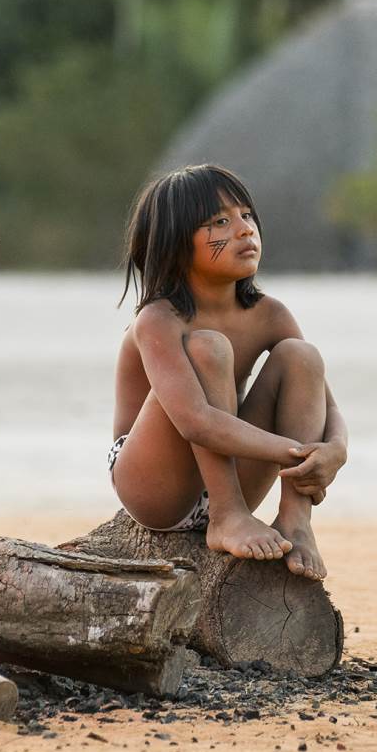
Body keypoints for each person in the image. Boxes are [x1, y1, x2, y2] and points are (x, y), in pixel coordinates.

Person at [108, 164, 346, 580]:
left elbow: (326, 405)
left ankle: (295, 521)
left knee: (301, 355)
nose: (243, 229)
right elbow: (196, 422)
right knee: (208, 345)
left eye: (247, 215)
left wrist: (335, 451)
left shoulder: (269, 313)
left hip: (235, 469)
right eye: (219, 222)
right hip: (155, 487)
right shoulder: (158, 319)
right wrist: (297, 454)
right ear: (177, 246)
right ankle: (226, 515)